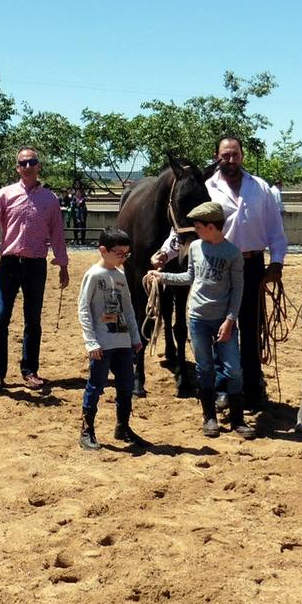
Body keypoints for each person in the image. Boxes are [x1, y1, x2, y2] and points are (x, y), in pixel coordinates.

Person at [151, 137, 287, 414]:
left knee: (251, 326)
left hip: (252, 265)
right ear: (217, 157)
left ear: (242, 156)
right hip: (215, 267)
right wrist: (166, 252)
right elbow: (186, 228)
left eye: (235, 154)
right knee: (218, 330)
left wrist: (277, 262)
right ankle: (223, 389)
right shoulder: (206, 188)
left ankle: (252, 385)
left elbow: (276, 231)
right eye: (225, 155)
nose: (231, 160)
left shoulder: (261, 188)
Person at [146, 201, 252, 438]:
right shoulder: (195, 248)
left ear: (211, 226)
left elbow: (237, 290)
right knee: (204, 368)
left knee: (233, 368)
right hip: (198, 318)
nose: (195, 229)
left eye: (197, 225)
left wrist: (230, 320)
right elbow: (189, 277)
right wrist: (161, 277)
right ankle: (210, 417)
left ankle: (237, 419)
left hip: (223, 320)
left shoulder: (233, 254)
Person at [0, 147, 69, 391]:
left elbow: (57, 235)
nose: (28, 166)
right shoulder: (5, 194)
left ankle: (30, 370)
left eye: (32, 162)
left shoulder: (50, 200)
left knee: (33, 320)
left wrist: (62, 264)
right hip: (9, 264)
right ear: (17, 168)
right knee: (1, 318)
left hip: (35, 265)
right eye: (23, 163)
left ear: (39, 166)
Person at [76, 227, 146, 449]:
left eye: (127, 254)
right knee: (96, 385)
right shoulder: (94, 275)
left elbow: (128, 309)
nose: (123, 258)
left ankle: (122, 426)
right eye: (119, 253)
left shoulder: (120, 276)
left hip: (123, 341)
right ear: (103, 250)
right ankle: (87, 430)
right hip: (103, 343)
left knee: (126, 385)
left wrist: (134, 337)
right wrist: (91, 341)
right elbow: (83, 309)